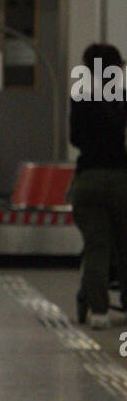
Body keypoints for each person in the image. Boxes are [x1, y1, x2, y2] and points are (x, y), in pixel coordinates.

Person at [69, 42, 127, 329]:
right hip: (120, 179)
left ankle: (99, 313)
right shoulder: (123, 97)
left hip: (87, 179)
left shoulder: (80, 96)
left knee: (96, 247)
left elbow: (75, 139)